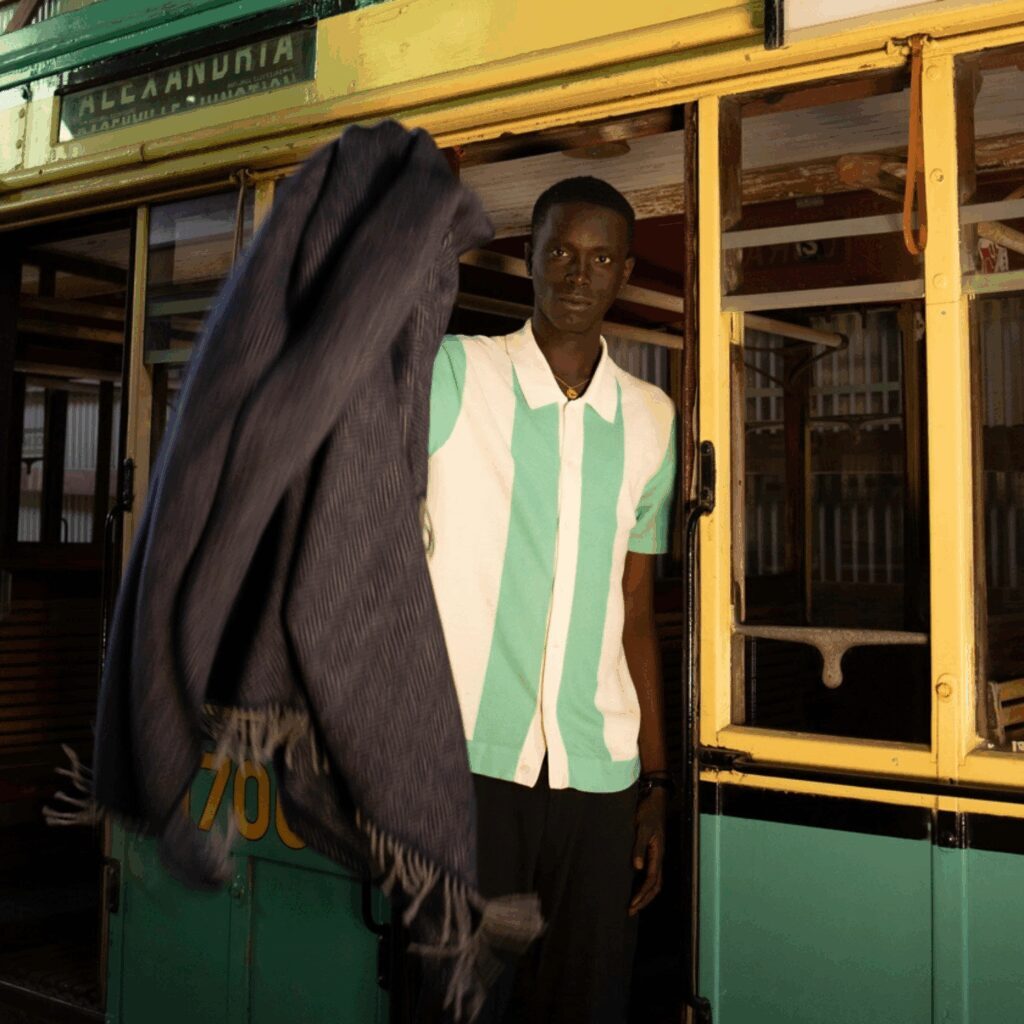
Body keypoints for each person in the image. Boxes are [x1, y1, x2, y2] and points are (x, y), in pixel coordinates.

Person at [425, 175, 677, 1023]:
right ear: (526, 258)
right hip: (465, 768)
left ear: (624, 273)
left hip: (598, 783)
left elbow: (635, 604)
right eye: (560, 252)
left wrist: (655, 778)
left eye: (600, 258)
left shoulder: (650, 418)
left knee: (585, 1002)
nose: (578, 274)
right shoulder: (458, 373)